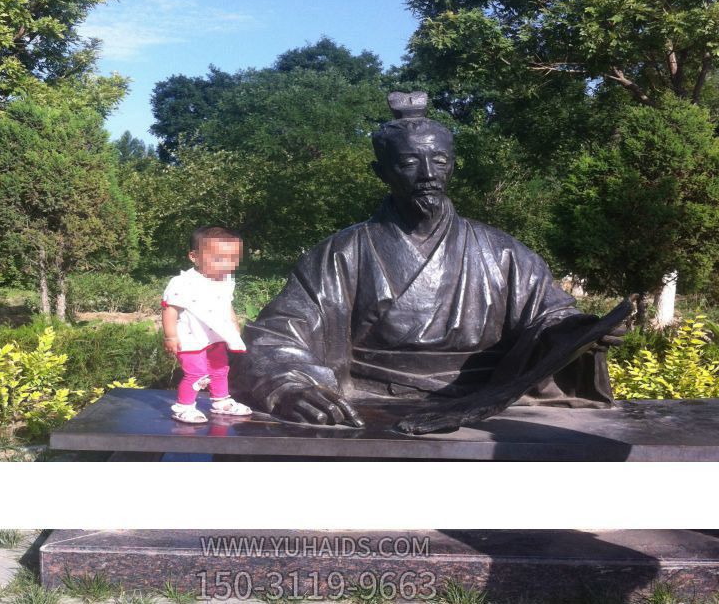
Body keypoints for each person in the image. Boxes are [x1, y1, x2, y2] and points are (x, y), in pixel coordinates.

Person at [235, 92, 626, 434]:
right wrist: (291, 385)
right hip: (367, 402)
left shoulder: (501, 251)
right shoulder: (343, 252)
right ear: (382, 172)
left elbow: (548, 316)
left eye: (439, 161)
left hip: (482, 402)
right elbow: (281, 333)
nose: (427, 175)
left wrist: (580, 332)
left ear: (453, 165)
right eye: (408, 163)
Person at [162, 225, 252, 423]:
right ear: (194, 257)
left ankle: (221, 400)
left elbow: (226, 304)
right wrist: (170, 336)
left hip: (215, 337)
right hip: (191, 338)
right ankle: (183, 406)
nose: (227, 264)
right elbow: (170, 310)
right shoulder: (183, 282)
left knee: (220, 369)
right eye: (218, 259)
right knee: (196, 373)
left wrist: (233, 324)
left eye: (233, 258)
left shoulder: (226, 280)